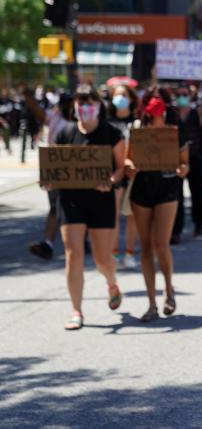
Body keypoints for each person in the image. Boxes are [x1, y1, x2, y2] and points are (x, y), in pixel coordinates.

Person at [53, 84, 126, 330]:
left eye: (89, 102)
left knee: (102, 259)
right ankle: (76, 310)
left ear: (98, 106)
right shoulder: (64, 133)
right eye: (80, 101)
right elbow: (53, 165)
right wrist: (48, 179)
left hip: (100, 200)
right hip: (71, 200)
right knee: (73, 255)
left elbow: (120, 168)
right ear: (74, 106)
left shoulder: (111, 133)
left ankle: (111, 282)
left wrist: (111, 182)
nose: (84, 107)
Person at [125, 88, 189, 322]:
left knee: (161, 244)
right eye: (151, 101)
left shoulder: (175, 131)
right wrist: (130, 165)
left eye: (159, 100)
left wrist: (183, 170)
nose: (155, 104)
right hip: (142, 190)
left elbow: (185, 164)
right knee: (146, 247)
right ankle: (152, 304)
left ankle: (169, 290)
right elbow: (128, 157)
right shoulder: (137, 129)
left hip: (168, 189)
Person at [25, 90, 72, 260]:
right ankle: (47, 244)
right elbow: (39, 113)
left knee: (79, 206)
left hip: (78, 172)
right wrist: (28, 96)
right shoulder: (54, 117)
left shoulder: (83, 121)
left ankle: (84, 240)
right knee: (55, 207)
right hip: (57, 170)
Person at [106, 83, 139, 268]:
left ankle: (129, 252)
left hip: (133, 174)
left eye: (124, 94)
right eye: (117, 95)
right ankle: (114, 253)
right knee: (114, 214)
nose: (121, 98)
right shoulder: (107, 123)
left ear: (131, 98)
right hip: (115, 173)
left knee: (131, 214)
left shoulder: (137, 122)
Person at [172, 85, 202, 241]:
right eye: (179, 94)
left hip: (194, 158)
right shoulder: (171, 114)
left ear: (190, 95)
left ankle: (198, 225)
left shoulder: (196, 114)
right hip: (176, 159)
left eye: (184, 94)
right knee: (177, 196)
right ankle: (176, 230)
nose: (182, 96)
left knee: (197, 195)